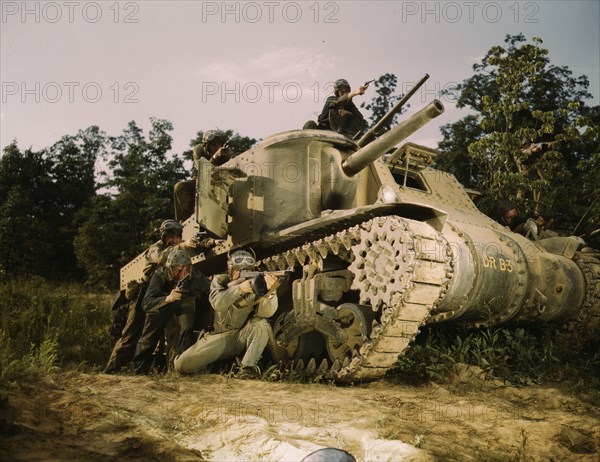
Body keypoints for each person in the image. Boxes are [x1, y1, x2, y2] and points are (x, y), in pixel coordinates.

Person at [102, 219, 199, 374]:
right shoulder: (155, 249)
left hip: (166, 294)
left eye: (175, 236)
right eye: (169, 237)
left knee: (173, 332)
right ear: (163, 237)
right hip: (145, 293)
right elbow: (161, 258)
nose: (172, 240)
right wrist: (183, 245)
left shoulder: (180, 250)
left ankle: (173, 371)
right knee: (131, 334)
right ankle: (110, 371)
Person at [174, 249, 282, 379]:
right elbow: (218, 303)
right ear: (230, 270)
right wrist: (241, 288)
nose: (240, 274)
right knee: (182, 365)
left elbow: (266, 313)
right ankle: (211, 369)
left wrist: (270, 293)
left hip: (241, 336)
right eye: (237, 270)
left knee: (261, 324)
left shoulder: (256, 284)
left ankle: (248, 369)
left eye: (246, 271)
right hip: (218, 337)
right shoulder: (219, 281)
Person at [132, 249, 210, 375]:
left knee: (185, 330)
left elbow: (210, 287)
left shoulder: (194, 274)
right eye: (177, 270)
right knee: (149, 337)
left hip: (183, 302)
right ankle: (139, 371)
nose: (182, 273)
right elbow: (146, 303)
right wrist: (167, 298)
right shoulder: (159, 275)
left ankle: (180, 369)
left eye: (185, 269)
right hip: (161, 304)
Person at [174, 129, 234, 222]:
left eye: (219, 144)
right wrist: (215, 157)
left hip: (219, 184)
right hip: (200, 181)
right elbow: (203, 170)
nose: (217, 147)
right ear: (206, 145)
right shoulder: (199, 150)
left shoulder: (227, 153)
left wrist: (227, 156)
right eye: (214, 144)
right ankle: (185, 221)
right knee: (180, 187)